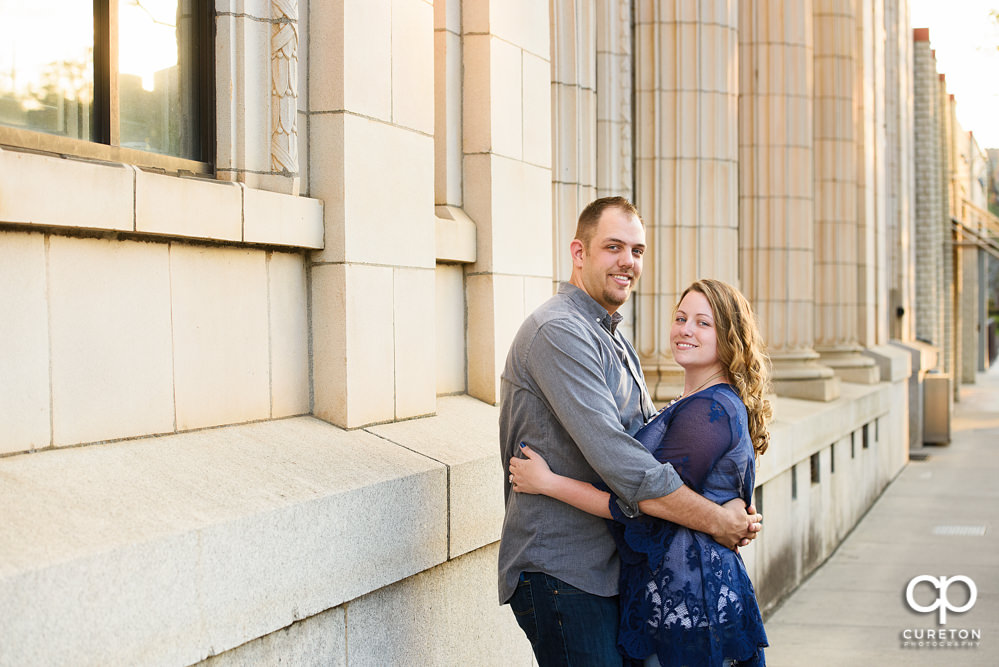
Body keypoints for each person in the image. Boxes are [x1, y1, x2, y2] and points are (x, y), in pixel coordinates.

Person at [498, 197, 761, 666]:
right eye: (614, 247)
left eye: (637, 250)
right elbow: (625, 464)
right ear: (579, 253)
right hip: (564, 569)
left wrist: (728, 501)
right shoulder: (559, 331)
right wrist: (718, 518)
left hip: (610, 569)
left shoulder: (611, 336)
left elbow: (655, 451)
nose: (628, 262)